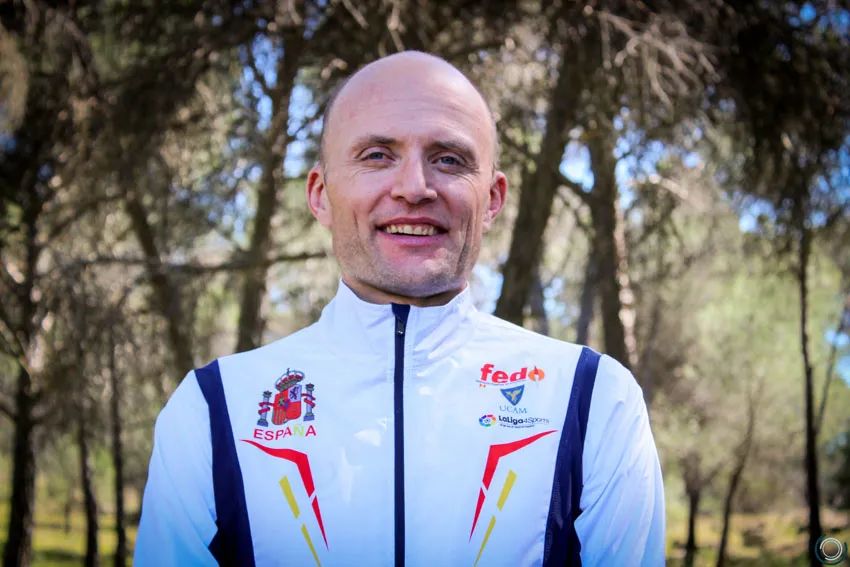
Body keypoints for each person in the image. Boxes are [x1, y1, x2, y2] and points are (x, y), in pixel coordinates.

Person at [135, 51, 665, 566]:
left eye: (449, 159)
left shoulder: (593, 399)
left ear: (493, 199)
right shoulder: (212, 409)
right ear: (320, 194)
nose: (414, 188)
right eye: (376, 155)